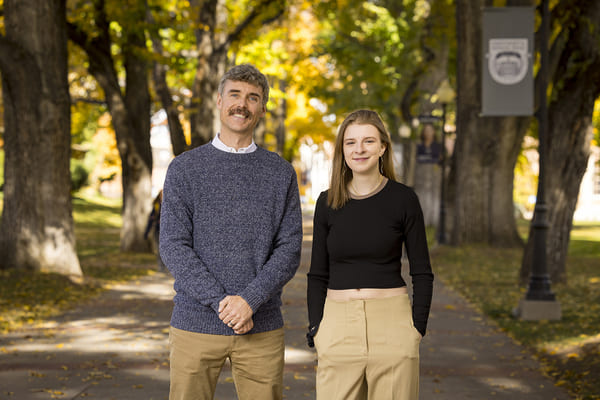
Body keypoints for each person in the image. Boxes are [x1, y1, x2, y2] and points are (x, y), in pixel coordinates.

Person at [160, 63, 303, 400]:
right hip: (194, 322)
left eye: (253, 98)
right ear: (220, 102)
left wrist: (249, 301)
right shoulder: (185, 168)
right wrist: (224, 303)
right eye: (235, 95)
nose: (243, 104)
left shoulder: (280, 173)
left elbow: (289, 249)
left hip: (262, 326)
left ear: (262, 109)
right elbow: (173, 245)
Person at [307, 109, 434, 400]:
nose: (359, 149)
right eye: (350, 142)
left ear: (382, 147)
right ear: (342, 150)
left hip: (393, 325)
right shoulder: (327, 203)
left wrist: (416, 330)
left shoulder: (403, 199)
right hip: (337, 325)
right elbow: (317, 274)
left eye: (368, 141)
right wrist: (317, 329)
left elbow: (422, 271)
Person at [144, 190, 166, 271]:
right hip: (158, 230)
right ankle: (161, 266)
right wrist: (146, 232)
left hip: (167, 232)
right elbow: (151, 219)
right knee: (159, 249)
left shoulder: (170, 206)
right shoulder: (156, 206)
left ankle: (166, 266)